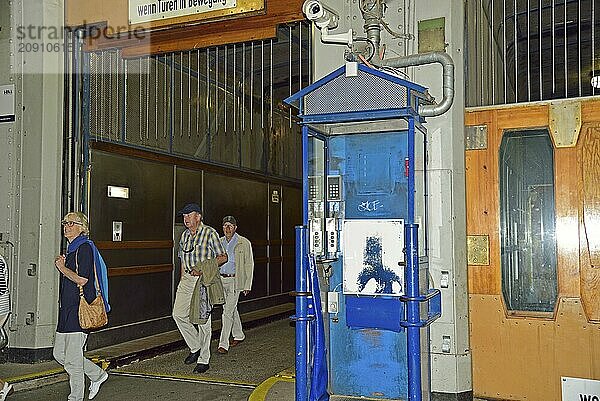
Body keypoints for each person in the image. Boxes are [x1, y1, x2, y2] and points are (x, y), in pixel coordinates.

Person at [53, 212, 108, 401]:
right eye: (65, 223)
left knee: (73, 360)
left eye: (71, 223)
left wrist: (61, 267)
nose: (66, 226)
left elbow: (83, 279)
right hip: (67, 309)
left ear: (82, 227)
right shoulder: (72, 249)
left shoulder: (84, 248)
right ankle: (98, 375)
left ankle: (75, 397)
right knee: (59, 354)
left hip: (79, 309)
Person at [173, 203, 227, 374]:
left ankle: (204, 359)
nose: (186, 219)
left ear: (198, 216)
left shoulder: (210, 233)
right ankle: (195, 346)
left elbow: (222, 257)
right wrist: (183, 278)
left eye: (189, 215)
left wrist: (203, 267)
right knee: (178, 314)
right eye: (184, 216)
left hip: (204, 280)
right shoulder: (184, 236)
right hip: (188, 279)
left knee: (203, 321)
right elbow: (182, 259)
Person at [217, 215, 254, 354]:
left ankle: (223, 343)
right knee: (231, 309)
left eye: (230, 226)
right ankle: (239, 334)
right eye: (225, 225)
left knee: (227, 312)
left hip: (235, 281)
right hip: (221, 280)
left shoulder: (244, 242)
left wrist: (247, 284)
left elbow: (249, 264)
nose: (227, 228)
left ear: (235, 228)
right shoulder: (219, 242)